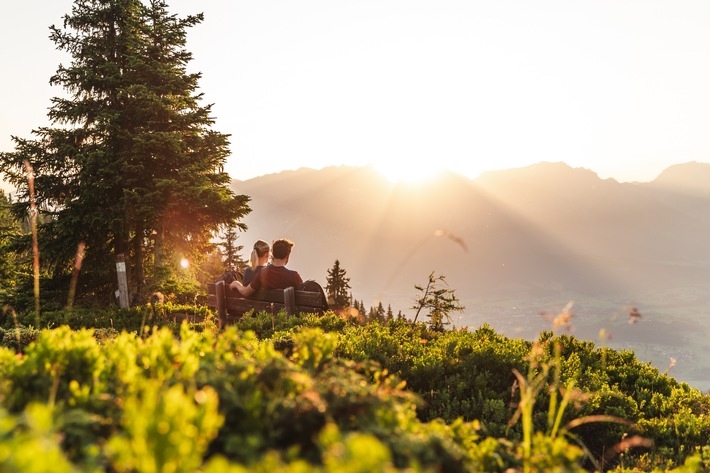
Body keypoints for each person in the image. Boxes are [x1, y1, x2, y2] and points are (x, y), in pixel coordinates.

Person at [230, 238, 303, 297]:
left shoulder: (262, 274)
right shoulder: (294, 276)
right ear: (287, 256)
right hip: (286, 314)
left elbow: (246, 292)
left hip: (264, 313)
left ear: (273, 255)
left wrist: (236, 284)